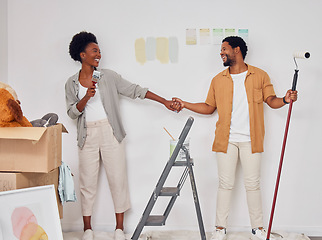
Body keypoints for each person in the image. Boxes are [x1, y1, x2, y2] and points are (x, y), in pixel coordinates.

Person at [172, 36, 297, 240]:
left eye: (224, 49)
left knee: (253, 184)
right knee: (225, 184)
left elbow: (271, 101)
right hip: (226, 140)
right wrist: (185, 104)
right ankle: (220, 229)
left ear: (236, 50)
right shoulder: (218, 79)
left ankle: (258, 229)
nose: (221, 53)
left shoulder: (260, 76)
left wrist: (285, 99)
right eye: (221, 50)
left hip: (252, 140)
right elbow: (209, 107)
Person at [65, 31, 176, 240]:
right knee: (87, 182)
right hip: (86, 135)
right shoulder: (71, 83)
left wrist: (165, 102)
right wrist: (86, 98)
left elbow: (135, 90)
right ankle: (87, 229)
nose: (99, 54)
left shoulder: (108, 76)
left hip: (110, 131)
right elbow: (72, 112)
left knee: (117, 179)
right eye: (94, 50)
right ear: (82, 54)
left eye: (99, 50)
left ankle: (119, 229)